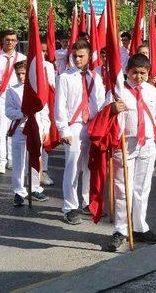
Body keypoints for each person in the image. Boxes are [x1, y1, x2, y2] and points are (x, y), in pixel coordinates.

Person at [105, 53, 156, 252]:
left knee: (142, 188)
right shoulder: (118, 91)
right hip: (125, 144)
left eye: (142, 73)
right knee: (123, 188)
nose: (138, 77)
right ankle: (121, 230)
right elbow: (104, 115)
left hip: (147, 144)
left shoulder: (151, 91)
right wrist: (113, 108)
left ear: (148, 73)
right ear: (127, 71)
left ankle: (140, 227)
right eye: (134, 73)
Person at [55, 39, 105, 225]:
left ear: (89, 56)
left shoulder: (95, 77)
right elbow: (60, 105)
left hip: (92, 126)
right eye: (74, 56)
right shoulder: (65, 77)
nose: (77, 59)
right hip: (74, 126)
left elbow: (99, 103)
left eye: (81, 56)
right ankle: (69, 207)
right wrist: (63, 129)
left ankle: (86, 201)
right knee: (73, 168)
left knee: (89, 167)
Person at [5, 61, 50, 206]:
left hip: (36, 127)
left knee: (35, 158)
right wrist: (22, 113)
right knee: (19, 161)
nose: (21, 76)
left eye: (23, 73)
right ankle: (19, 191)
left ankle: (35, 187)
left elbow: (44, 111)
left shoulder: (38, 90)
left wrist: (46, 128)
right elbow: (8, 111)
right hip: (20, 128)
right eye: (18, 74)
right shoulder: (12, 90)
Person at [0, 29, 26, 173]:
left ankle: (12, 159)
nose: (10, 42)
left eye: (13, 40)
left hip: (16, 97)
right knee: (0, 130)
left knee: (14, 128)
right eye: (7, 40)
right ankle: (1, 161)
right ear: (2, 41)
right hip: (0, 96)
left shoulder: (22, 58)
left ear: (16, 42)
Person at [40, 40, 56, 186]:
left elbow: (52, 87)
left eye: (45, 51)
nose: (42, 54)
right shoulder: (28, 64)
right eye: (40, 50)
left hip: (44, 107)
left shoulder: (49, 66)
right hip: (29, 107)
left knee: (45, 137)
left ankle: (43, 171)